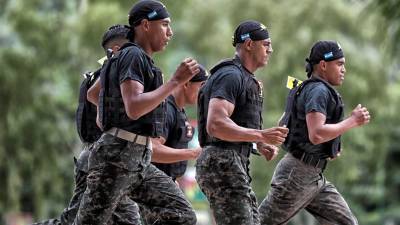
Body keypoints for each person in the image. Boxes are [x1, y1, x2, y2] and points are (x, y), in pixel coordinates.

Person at [73, 1, 199, 225]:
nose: (170, 32)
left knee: (182, 214)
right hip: (116, 159)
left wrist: (107, 117)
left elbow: (94, 94)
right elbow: (134, 107)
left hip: (138, 159)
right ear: (145, 25)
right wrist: (175, 82)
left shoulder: (129, 57)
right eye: (164, 25)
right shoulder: (133, 55)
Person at [32, 24, 141, 225]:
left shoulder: (102, 74)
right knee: (74, 220)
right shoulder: (107, 76)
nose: (138, 53)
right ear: (117, 50)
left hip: (103, 159)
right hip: (100, 160)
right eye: (133, 47)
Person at [258, 40, 371, 225]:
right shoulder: (319, 90)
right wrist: (352, 121)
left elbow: (287, 124)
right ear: (324, 65)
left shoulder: (307, 88)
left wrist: (327, 148)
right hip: (297, 174)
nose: (344, 70)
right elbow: (317, 134)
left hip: (314, 175)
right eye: (340, 64)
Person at [195, 20, 289, 225]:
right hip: (223, 162)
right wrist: (261, 135)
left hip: (232, 162)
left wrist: (258, 144)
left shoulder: (244, 77)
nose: (270, 50)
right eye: (266, 44)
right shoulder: (230, 75)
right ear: (248, 44)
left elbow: (235, 123)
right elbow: (216, 125)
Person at [151, 65, 207, 181]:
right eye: (201, 86)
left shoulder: (179, 110)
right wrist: (193, 153)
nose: (204, 93)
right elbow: (152, 150)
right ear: (186, 84)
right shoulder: (166, 109)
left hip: (166, 181)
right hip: (151, 183)